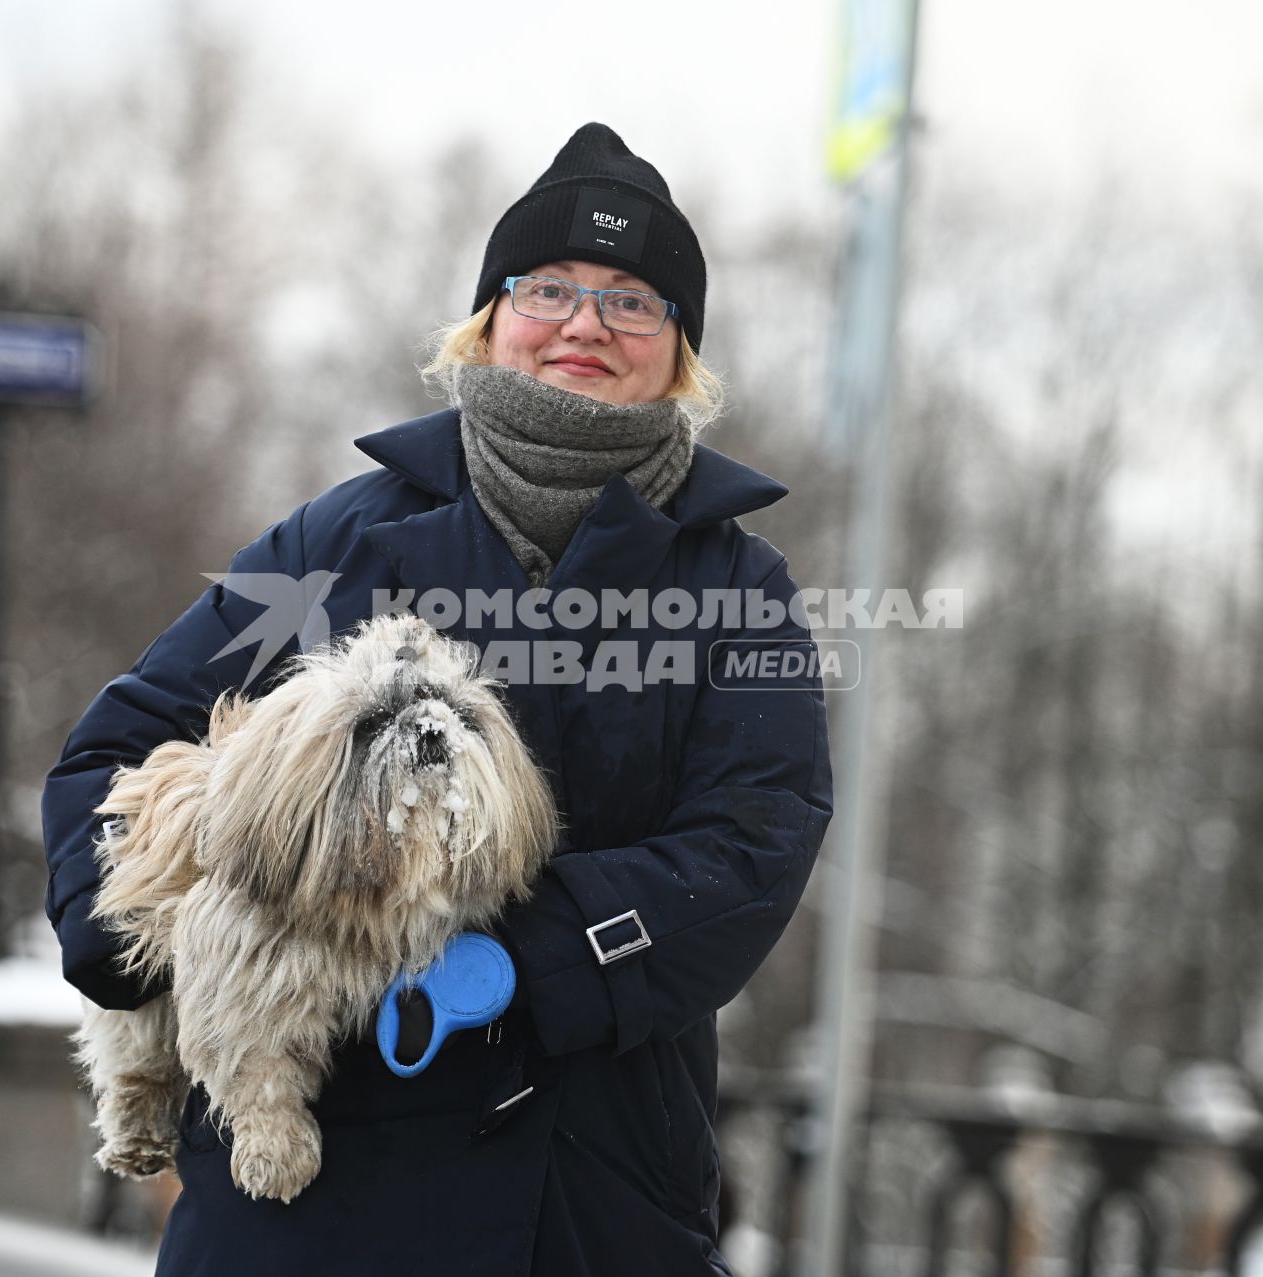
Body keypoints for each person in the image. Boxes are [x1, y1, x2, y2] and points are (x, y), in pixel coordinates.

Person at [41, 122, 834, 1277]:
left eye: (633, 302)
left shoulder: (731, 588)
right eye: (548, 287)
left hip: (588, 1205)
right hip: (303, 1208)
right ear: (490, 318)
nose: (584, 324)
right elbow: (121, 741)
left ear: (681, 354)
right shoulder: (339, 538)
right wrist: (124, 936)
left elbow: (755, 845)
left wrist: (520, 955)